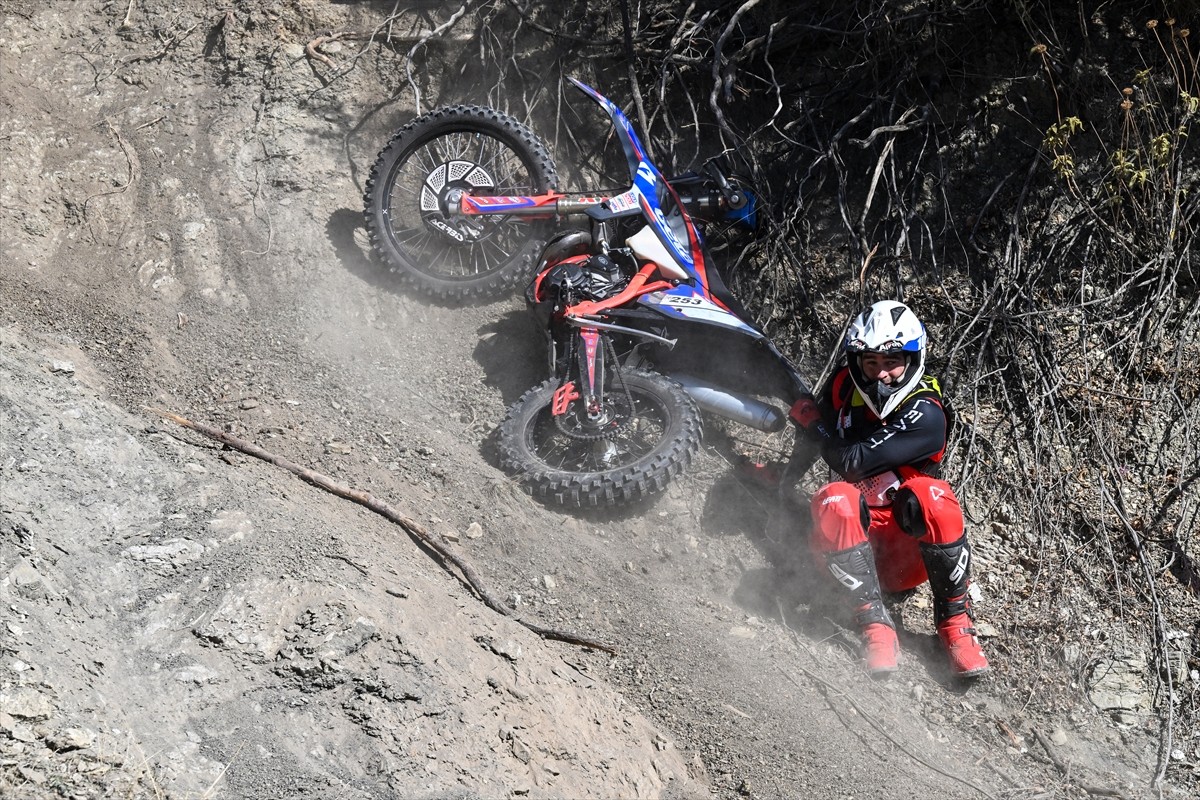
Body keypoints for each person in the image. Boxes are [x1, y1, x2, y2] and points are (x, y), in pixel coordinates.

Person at [788, 300, 990, 678]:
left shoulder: (927, 413)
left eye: (892, 361)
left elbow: (850, 459)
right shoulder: (841, 386)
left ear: (913, 359)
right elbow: (811, 437)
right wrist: (783, 481)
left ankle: (955, 627)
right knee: (836, 496)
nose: (881, 374)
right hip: (843, 544)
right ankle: (874, 626)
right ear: (857, 362)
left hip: (902, 559)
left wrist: (817, 427)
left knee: (933, 495)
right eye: (871, 363)